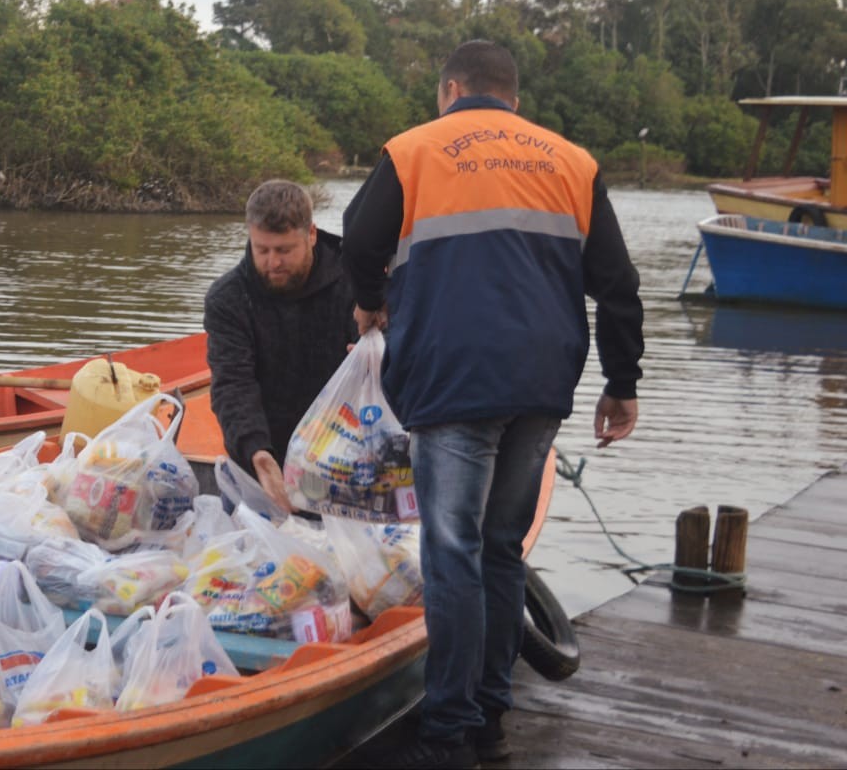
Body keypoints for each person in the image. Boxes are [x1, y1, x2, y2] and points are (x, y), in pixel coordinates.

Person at [342, 41, 643, 769]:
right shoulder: (572, 162)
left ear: (450, 89)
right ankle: (490, 722)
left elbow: (358, 238)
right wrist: (622, 382)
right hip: (541, 382)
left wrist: (371, 303)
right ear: (514, 96)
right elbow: (618, 284)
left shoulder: (413, 151)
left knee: (453, 554)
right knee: (502, 547)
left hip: (452, 379)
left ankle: (446, 734)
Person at [204, 179, 356, 513]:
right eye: (262, 250)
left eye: (284, 250)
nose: (273, 262)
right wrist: (256, 451)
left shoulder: (356, 284)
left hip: (343, 460)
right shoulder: (228, 298)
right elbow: (232, 383)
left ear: (311, 235)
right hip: (261, 462)